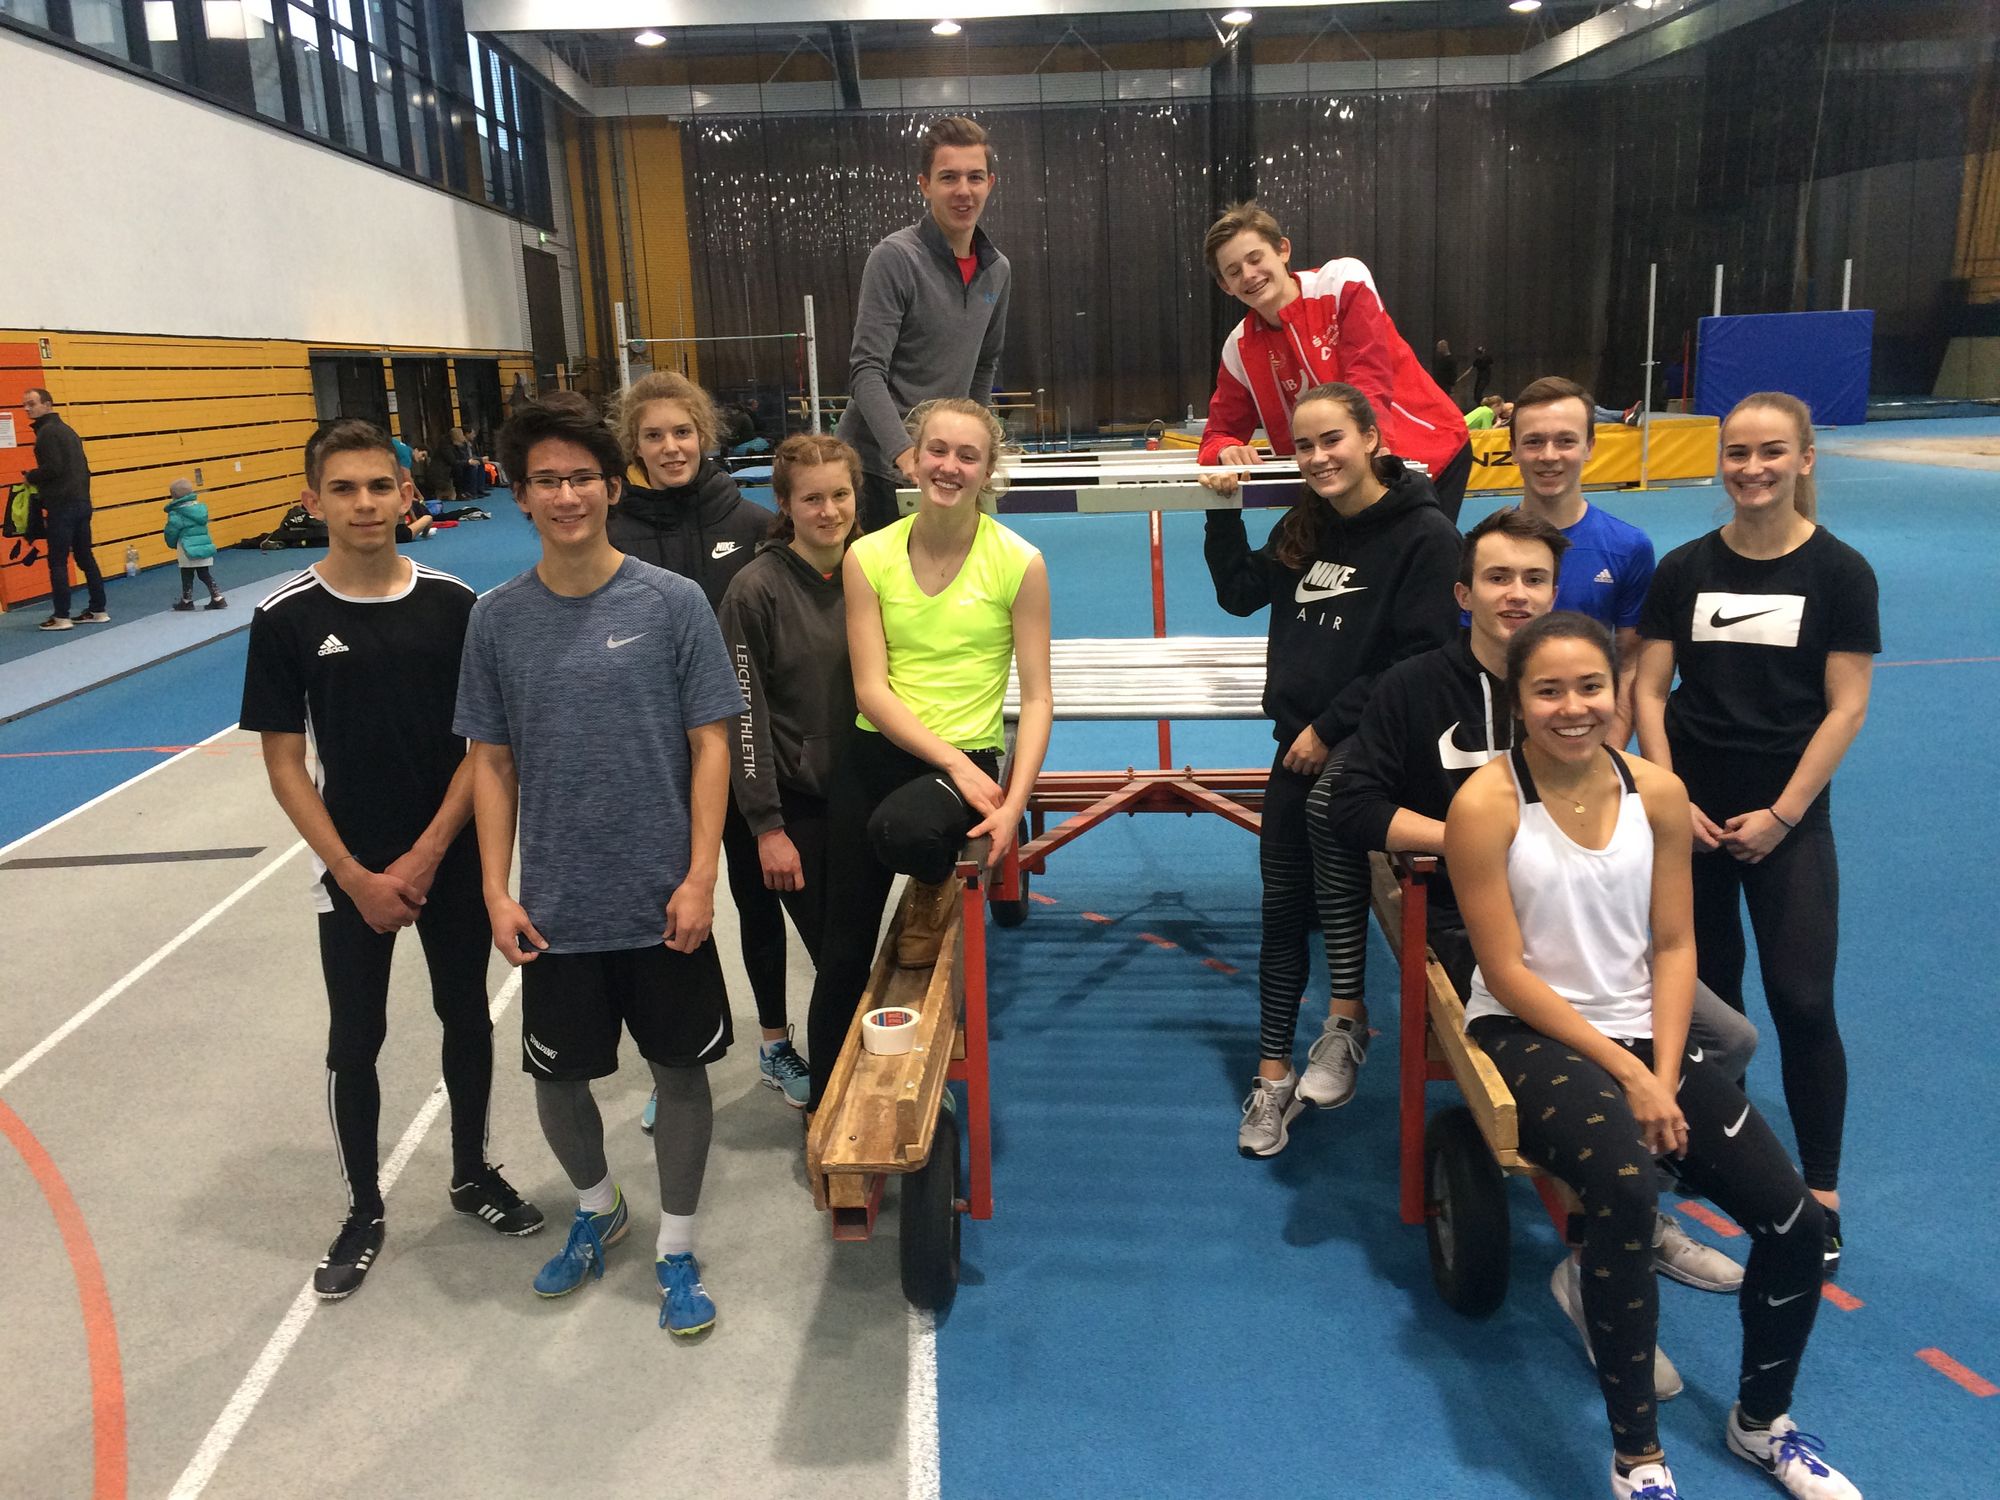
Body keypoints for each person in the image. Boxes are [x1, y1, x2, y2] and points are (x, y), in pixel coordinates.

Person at [1313, 508, 1756, 1396]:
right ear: (1463, 593)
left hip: (1591, 923)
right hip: (1467, 923)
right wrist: (1479, 841)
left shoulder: (1572, 692)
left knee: (1730, 1038)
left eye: (1534, 580)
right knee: (1589, 1064)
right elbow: (1349, 805)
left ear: (1556, 593)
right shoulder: (1411, 688)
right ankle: (1600, 1249)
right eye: (1497, 578)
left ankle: (1633, 1205)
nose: (1515, 595)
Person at [1447, 612, 1861, 1500]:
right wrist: (1633, 1073)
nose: (1572, 707)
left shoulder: (1659, 794)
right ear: (1516, 702)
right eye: (1548, 691)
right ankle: (1638, 1455)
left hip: (1642, 1029)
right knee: (1629, 1189)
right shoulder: (1485, 803)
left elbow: (1674, 946)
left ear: (1620, 694)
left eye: (1590, 687)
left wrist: (1664, 1068)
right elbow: (1506, 971)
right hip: (1527, 1028)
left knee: (1797, 1227)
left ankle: (1761, 1425)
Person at [457, 399, 746, 1336]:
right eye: (546, 480)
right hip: (558, 905)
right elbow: (491, 762)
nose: (567, 495)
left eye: (583, 477)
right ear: (520, 494)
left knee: (682, 1076)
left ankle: (677, 1246)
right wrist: (496, 891)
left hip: (663, 899)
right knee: (558, 1080)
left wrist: (700, 875)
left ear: (613, 488)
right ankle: (597, 1207)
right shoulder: (497, 620)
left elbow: (712, 745)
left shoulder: (673, 602)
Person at [241, 419, 542, 1302]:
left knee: (465, 1016)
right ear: (313, 501)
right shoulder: (285, 617)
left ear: (407, 495)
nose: (364, 504)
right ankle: (363, 1208)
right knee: (356, 1038)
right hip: (352, 870)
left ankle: (470, 1173)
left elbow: (484, 746)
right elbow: (284, 764)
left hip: (446, 855)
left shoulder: (455, 606)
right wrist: (353, 873)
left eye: (380, 486)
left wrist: (428, 851)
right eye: (344, 489)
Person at [1635, 392, 1878, 1282]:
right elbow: (1647, 692)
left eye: (1772, 452)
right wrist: (1670, 798)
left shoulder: (1841, 573)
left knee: (1802, 1000)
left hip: (1788, 818)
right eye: (1737, 453)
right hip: (1691, 817)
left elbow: (1846, 707)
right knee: (1711, 1002)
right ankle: (1719, 1156)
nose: (1752, 468)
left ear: (1805, 459)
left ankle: (1820, 1191)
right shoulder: (1685, 568)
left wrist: (1783, 814)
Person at [1204, 382, 1460, 1158]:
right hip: (1300, 740)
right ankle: (1272, 1076)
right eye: (1304, 446)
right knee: (1282, 908)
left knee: (1329, 813)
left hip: (1375, 740)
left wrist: (1330, 725)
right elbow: (1239, 594)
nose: (1317, 458)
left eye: (1332, 440)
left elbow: (1420, 656)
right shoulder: (1306, 522)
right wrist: (1222, 510)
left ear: (1371, 438)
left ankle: (1347, 1020)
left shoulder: (1426, 535)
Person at [805, 398, 1051, 1111]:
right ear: (912, 460)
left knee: (903, 832)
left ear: (988, 471)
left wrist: (1011, 805)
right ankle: (823, 1106)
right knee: (842, 947)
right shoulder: (868, 556)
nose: (949, 466)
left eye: (967, 455)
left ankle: (935, 879)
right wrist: (953, 763)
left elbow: (1038, 698)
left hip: (968, 756)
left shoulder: (1018, 563)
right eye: (936, 450)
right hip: (884, 749)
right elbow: (872, 690)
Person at [607, 371, 805, 1113]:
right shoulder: (613, 533)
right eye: (654, 435)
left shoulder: (753, 525)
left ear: (705, 436)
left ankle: (775, 1043)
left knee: (758, 902)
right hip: (658, 761)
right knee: (673, 910)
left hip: (745, 754)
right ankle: (675, 1065)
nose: (671, 447)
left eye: (683, 432)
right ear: (634, 445)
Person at [1196, 203, 1473, 523]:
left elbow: (1368, 375)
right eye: (1233, 272)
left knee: (1409, 552)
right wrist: (1226, 450)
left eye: (1255, 258)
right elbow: (1218, 432)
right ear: (1225, 286)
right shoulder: (1238, 348)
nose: (1248, 275)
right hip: (1339, 480)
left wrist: (1376, 450)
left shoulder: (1342, 283)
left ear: (1283, 250)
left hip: (1426, 453)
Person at [716, 434, 863, 1006]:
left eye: (840, 495)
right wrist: (768, 828)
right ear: (784, 504)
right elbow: (742, 716)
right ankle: (837, 1064)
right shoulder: (754, 592)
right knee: (839, 962)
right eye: (812, 499)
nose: (829, 512)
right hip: (801, 806)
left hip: (865, 794)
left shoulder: (874, 571)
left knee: (870, 952)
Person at [839, 115, 1011, 534]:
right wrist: (905, 454)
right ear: (925, 185)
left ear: (990, 184)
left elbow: (984, 364)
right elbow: (866, 371)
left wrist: (975, 448)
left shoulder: (998, 270)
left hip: (942, 468)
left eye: (974, 177)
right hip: (874, 470)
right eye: (948, 177)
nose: (963, 190)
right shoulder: (894, 258)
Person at [1508, 377, 1657, 744]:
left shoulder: (1628, 547)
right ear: (1513, 449)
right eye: (1534, 441)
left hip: (1584, 736)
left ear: (1589, 446)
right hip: (1502, 737)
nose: (1549, 456)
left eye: (1565, 441)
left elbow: (1629, 662)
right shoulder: (1487, 549)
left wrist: (1609, 751)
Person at [21, 386, 110, 630]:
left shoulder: (47, 433)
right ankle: (98, 610)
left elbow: (54, 468)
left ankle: (61, 617)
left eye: (32, 404)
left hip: (63, 506)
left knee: (58, 561)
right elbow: (82, 468)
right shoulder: (68, 431)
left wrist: (31, 476)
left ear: (47, 404)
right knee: (85, 556)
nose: (27, 408)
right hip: (82, 502)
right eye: (25, 404)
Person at [163, 478, 227, 611]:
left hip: (186, 547)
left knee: (186, 574)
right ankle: (217, 597)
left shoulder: (176, 513)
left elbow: (171, 532)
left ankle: (187, 600)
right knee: (204, 573)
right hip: (203, 545)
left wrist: (172, 544)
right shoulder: (200, 508)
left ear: (174, 495)